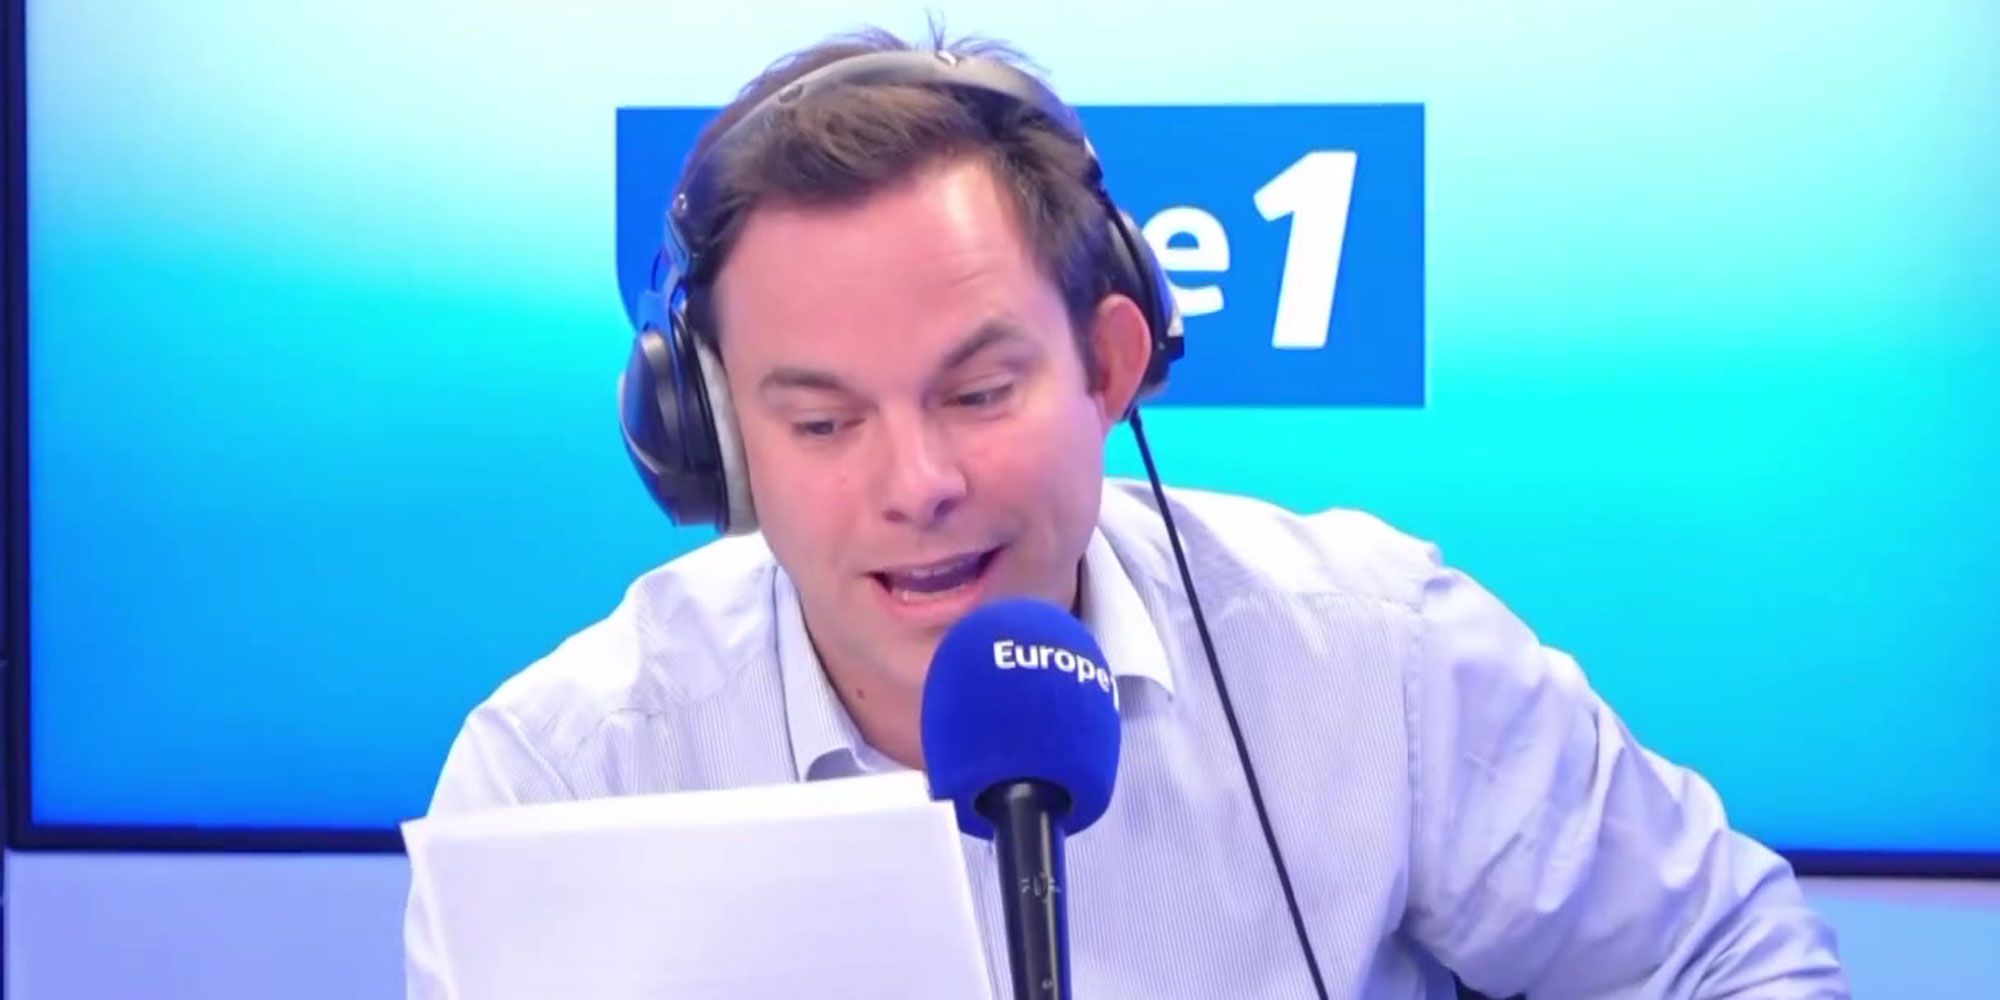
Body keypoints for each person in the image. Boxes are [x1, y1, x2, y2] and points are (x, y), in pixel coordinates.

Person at [404, 25, 1848, 999]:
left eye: (979, 393)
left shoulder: (1370, 656)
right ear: (715, 450)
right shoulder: (564, 783)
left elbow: (1733, 961)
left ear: (1110, 365)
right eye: (824, 423)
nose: (917, 484)